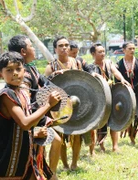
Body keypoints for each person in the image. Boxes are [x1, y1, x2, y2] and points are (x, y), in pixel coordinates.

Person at [0, 51, 60, 179]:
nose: (15, 73)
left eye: (18, 69)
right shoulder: (7, 95)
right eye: (9, 70)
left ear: (24, 71)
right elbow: (25, 123)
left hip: (25, 155)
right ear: (0, 74)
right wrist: (48, 104)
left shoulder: (22, 92)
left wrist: (36, 132)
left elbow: (24, 125)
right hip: (9, 158)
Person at [45, 36, 83, 170]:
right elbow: (45, 87)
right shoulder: (51, 66)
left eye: (66, 45)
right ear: (55, 49)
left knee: (77, 133)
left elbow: (83, 80)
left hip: (75, 101)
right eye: (61, 45)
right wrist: (54, 74)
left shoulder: (76, 63)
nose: (64, 48)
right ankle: (65, 164)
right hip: (59, 106)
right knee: (60, 134)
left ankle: (74, 163)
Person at [87, 43, 130, 155]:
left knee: (114, 120)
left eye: (103, 51)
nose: (103, 54)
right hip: (99, 97)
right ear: (93, 54)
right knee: (100, 122)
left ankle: (115, 146)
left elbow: (115, 72)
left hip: (112, 95)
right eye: (99, 52)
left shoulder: (109, 63)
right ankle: (101, 145)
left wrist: (122, 79)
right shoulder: (91, 67)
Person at [116, 42, 138, 146]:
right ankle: (132, 138)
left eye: (133, 48)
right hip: (126, 95)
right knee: (129, 117)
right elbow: (116, 82)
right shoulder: (119, 64)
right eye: (129, 48)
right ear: (124, 50)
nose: (132, 50)